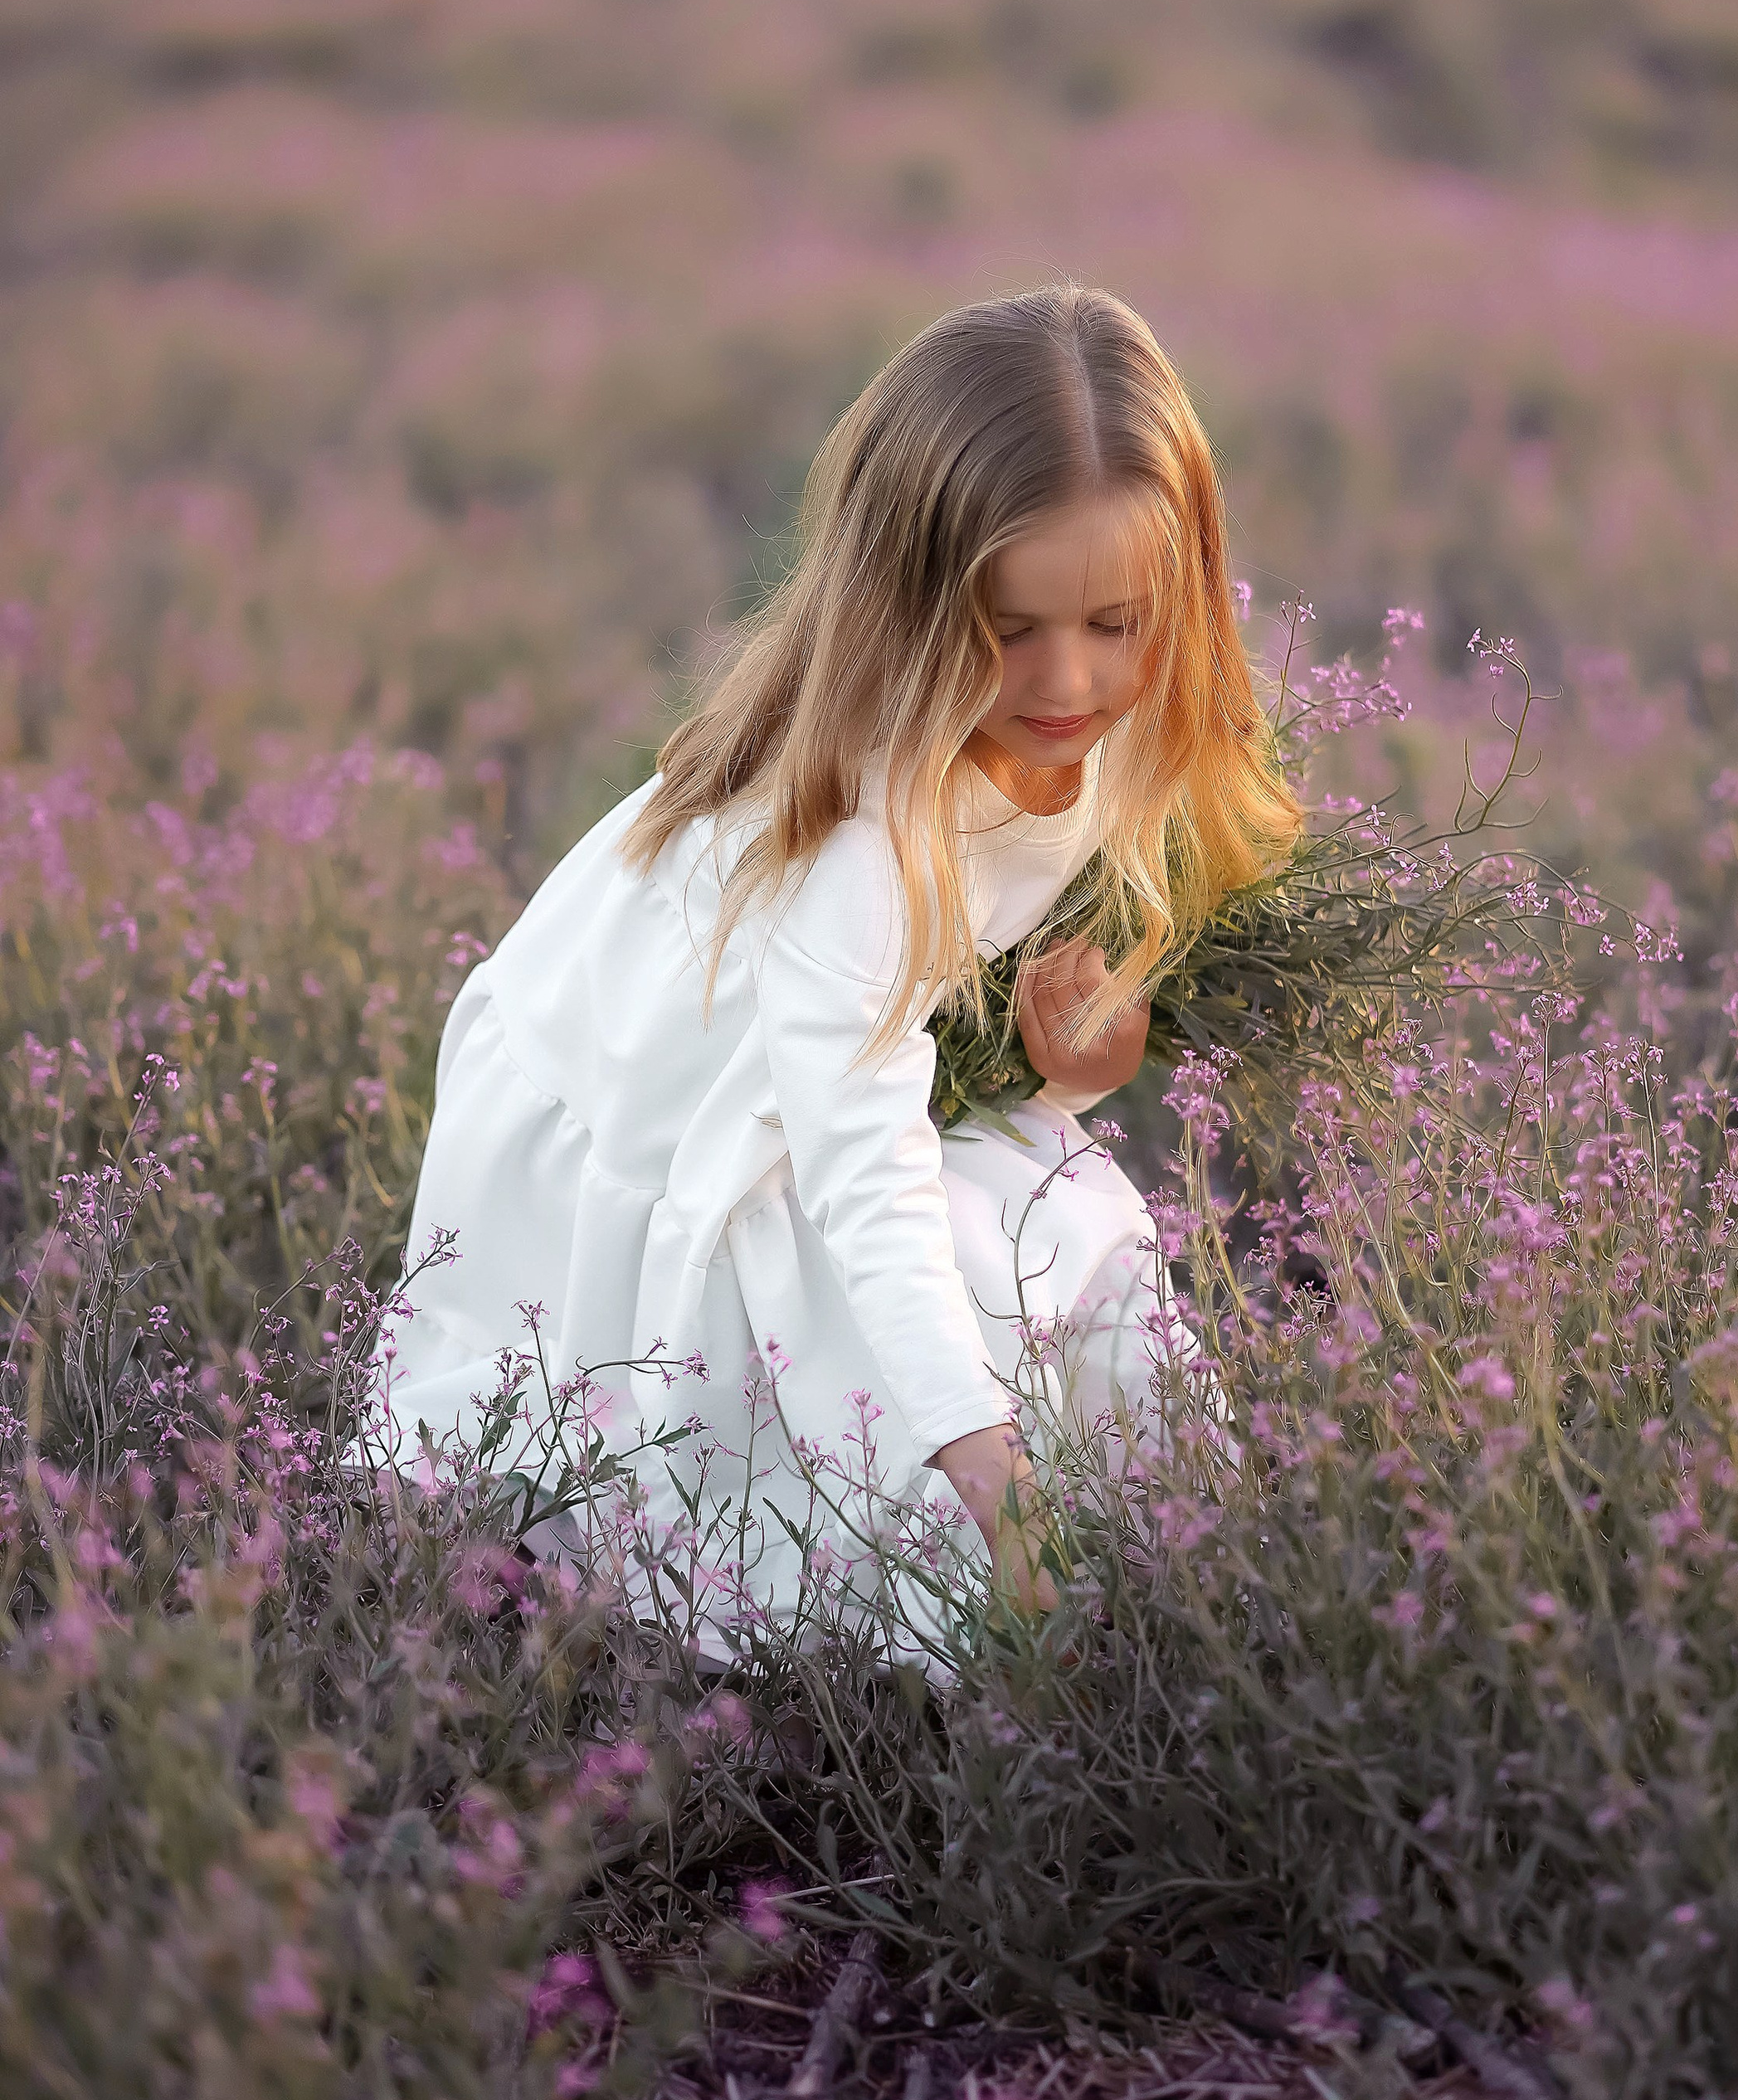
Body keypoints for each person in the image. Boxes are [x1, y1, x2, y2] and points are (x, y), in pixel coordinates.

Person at [375, 283, 1297, 1645]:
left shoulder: (1080, 732)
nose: (1069, 683)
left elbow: (937, 1017)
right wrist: (983, 1467)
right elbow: (860, 1164)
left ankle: (1173, 1572)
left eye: (1115, 623)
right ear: (908, 612)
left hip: (814, 1075)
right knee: (876, 1394)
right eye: (1009, 629)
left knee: (1055, 1215)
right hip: (672, 1110)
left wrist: (1075, 1080)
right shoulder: (860, 847)